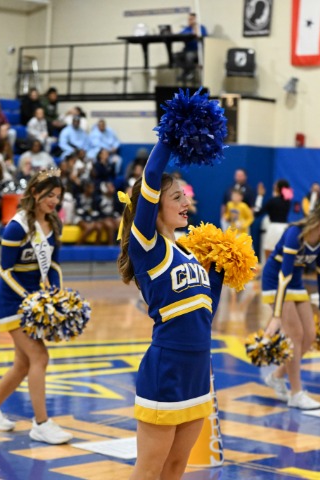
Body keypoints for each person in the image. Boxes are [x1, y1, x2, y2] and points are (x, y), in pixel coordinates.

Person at [117, 136, 225, 479]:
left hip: (198, 367)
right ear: (154, 206)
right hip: (167, 367)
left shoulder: (188, 252)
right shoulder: (147, 247)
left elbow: (204, 314)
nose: (186, 202)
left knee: (177, 466)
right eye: (176, 197)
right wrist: (170, 136)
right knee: (150, 469)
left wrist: (218, 275)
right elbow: (152, 175)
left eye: (185, 196)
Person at [0, 169, 73, 445]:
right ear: (34, 193)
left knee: (22, 364)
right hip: (11, 300)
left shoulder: (54, 223)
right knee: (39, 357)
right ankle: (41, 424)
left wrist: (55, 293)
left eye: (58, 196)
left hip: (34, 300)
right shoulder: (16, 226)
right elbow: (5, 271)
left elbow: (53, 265)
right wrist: (30, 298)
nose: (54, 201)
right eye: (49, 195)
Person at [261, 198, 320, 409]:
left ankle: (277, 377)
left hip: (296, 283)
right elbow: (284, 275)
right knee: (295, 335)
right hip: (276, 281)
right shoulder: (294, 234)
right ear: (319, 222)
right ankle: (296, 393)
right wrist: (276, 316)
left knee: (310, 335)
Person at [255, 179, 293, 259]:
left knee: (269, 254)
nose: (273, 186)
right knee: (283, 255)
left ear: (277, 188)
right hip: (285, 228)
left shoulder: (272, 201)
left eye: (275, 185)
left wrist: (260, 196)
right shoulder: (288, 202)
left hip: (274, 229)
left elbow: (257, 212)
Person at [175, 13, 207, 82]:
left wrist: (195, 29)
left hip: (197, 51)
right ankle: (188, 71)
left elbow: (203, 37)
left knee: (189, 55)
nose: (189, 21)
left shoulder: (201, 28)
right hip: (187, 50)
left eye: (191, 19)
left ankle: (189, 73)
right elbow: (180, 35)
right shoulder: (187, 28)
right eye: (188, 19)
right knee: (175, 56)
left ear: (195, 20)